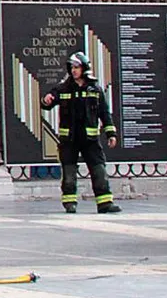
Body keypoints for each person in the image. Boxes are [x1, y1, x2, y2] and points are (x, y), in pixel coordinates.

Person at [40, 51, 121, 214]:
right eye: (72, 67)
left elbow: (104, 113)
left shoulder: (95, 89)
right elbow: (48, 102)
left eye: (77, 67)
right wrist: (46, 99)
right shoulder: (63, 88)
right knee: (69, 173)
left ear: (84, 68)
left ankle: (105, 203)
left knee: (98, 169)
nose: (74, 70)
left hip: (90, 139)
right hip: (69, 139)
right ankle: (70, 203)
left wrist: (110, 133)